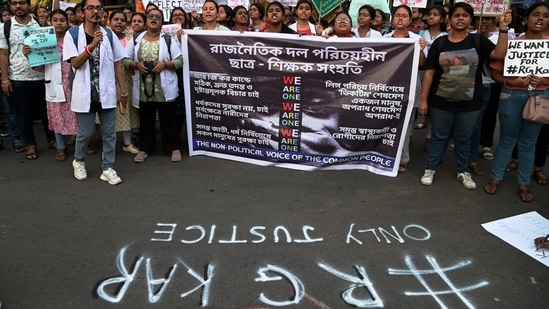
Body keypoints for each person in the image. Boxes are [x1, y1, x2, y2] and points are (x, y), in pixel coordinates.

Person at [418, 2, 511, 189]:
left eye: (465, 15)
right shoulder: (440, 43)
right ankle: (430, 168)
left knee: (463, 138)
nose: (461, 18)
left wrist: (503, 30)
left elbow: (499, 54)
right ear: (449, 19)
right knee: (439, 136)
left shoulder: (478, 41)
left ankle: (463, 171)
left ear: (470, 20)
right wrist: (423, 99)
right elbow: (429, 72)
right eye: (457, 15)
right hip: (441, 101)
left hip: (470, 103)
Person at [484, 2, 549, 202]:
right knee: (506, 140)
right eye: (535, 14)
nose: (540, 19)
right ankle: (496, 177)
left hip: (540, 97)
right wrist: (511, 81)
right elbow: (495, 72)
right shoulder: (512, 43)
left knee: (529, 143)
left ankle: (523, 183)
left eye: (545, 16)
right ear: (526, 18)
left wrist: (545, 81)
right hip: (511, 95)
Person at [63, 0, 128, 185]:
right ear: (82, 12)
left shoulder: (108, 33)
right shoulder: (73, 34)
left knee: (109, 133)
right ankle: (79, 161)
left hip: (105, 92)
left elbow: (117, 62)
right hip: (85, 93)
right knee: (85, 132)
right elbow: (75, 63)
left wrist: (122, 89)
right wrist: (92, 45)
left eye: (98, 8)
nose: (95, 11)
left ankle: (108, 167)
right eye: (90, 8)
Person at [124, 7, 183, 163]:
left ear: (161, 22)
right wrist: (137, 65)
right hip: (143, 88)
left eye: (158, 16)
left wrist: (165, 64)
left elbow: (180, 60)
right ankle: (144, 149)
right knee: (146, 120)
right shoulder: (136, 38)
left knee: (168, 119)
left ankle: (174, 148)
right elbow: (124, 58)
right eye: (151, 16)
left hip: (164, 89)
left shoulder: (168, 40)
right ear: (147, 20)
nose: (154, 18)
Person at [0, 0, 56, 160]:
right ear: (11, 6)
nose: (18, 6)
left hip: (42, 76)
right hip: (18, 77)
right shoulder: (5, 27)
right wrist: (5, 79)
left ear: (28, 5)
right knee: (23, 114)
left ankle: (52, 139)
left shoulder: (39, 24)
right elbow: (3, 54)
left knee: (46, 111)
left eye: (22, 2)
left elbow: (50, 48)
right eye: (15, 3)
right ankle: (30, 144)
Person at [24, 9, 78, 161]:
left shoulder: (73, 39)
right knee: (57, 116)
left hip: (72, 84)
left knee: (77, 115)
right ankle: (61, 147)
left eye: (62, 20)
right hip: (53, 83)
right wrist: (30, 55)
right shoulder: (43, 41)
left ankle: (82, 144)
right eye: (55, 20)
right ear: (49, 22)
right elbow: (39, 67)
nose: (59, 23)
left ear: (68, 22)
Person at [383, 5, 426, 173]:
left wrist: (421, 50)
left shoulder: (416, 39)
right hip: (387, 90)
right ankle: (384, 154)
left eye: (404, 16)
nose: (400, 18)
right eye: (397, 15)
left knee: (406, 128)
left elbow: (422, 64)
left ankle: (402, 159)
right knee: (385, 124)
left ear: (409, 19)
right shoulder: (384, 39)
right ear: (393, 19)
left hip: (409, 91)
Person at [416, 5, 448, 152]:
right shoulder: (419, 34)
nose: (431, 17)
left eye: (435, 14)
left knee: (433, 109)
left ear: (442, 19)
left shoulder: (446, 37)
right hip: (420, 73)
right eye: (430, 14)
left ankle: (429, 138)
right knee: (418, 105)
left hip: (437, 76)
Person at [110, 10, 139, 155]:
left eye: (122, 20)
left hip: (127, 79)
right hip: (108, 80)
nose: (119, 22)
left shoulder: (131, 38)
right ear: (110, 21)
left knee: (125, 112)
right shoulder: (104, 37)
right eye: (116, 19)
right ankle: (108, 148)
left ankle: (127, 143)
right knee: (109, 114)